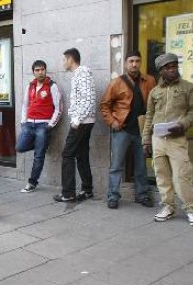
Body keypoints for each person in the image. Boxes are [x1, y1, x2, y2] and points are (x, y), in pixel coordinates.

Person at [142, 53, 193, 226]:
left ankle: (191, 209)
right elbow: (149, 116)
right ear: (161, 71)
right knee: (162, 176)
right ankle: (168, 207)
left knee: (182, 175)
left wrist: (182, 125)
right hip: (158, 139)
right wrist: (146, 140)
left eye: (174, 66)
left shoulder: (188, 87)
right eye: (168, 68)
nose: (172, 70)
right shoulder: (155, 92)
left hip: (177, 139)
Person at [100, 50, 156, 209]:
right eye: (131, 61)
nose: (134, 64)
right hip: (122, 129)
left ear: (141, 63)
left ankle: (142, 194)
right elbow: (104, 105)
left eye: (137, 61)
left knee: (141, 165)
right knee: (116, 165)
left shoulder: (150, 80)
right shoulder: (117, 83)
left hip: (142, 130)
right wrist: (112, 122)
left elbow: (155, 103)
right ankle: (113, 196)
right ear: (125, 63)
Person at [54, 48, 96, 203]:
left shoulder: (82, 73)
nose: (63, 62)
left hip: (82, 122)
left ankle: (68, 193)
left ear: (70, 59)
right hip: (84, 121)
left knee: (67, 154)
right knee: (81, 154)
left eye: (64, 59)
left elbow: (88, 99)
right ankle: (87, 190)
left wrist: (77, 120)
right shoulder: (79, 75)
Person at [17, 60, 62, 193]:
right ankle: (42, 145)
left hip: (43, 124)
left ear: (45, 70)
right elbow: (25, 104)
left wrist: (50, 125)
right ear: (33, 72)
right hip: (29, 123)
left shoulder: (52, 86)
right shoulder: (30, 86)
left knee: (38, 156)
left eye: (42, 69)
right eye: (37, 70)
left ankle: (32, 183)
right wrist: (23, 121)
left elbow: (58, 108)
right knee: (20, 147)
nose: (40, 72)